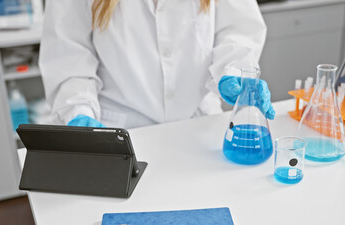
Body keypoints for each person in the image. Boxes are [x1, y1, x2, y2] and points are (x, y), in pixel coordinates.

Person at [39, 0, 275, 129]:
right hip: (120, 130)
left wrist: (232, 70)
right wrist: (78, 112)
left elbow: (237, 29)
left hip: (198, 124)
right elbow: (69, 54)